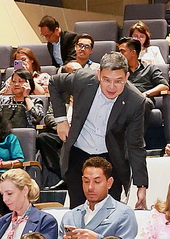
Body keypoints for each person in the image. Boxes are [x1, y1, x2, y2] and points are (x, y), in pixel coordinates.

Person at [51, 55, 150, 210]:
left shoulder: (136, 101)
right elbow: (54, 83)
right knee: (78, 213)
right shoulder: (83, 79)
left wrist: (141, 186)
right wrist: (61, 120)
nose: (111, 87)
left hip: (111, 159)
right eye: (106, 80)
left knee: (110, 217)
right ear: (98, 75)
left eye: (118, 81)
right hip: (79, 155)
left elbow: (135, 145)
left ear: (127, 77)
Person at [58, 157, 138, 239]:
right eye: (86, 181)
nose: (90, 187)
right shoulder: (70, 215)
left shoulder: (124, 213)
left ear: (109, 182)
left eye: (97, 182)